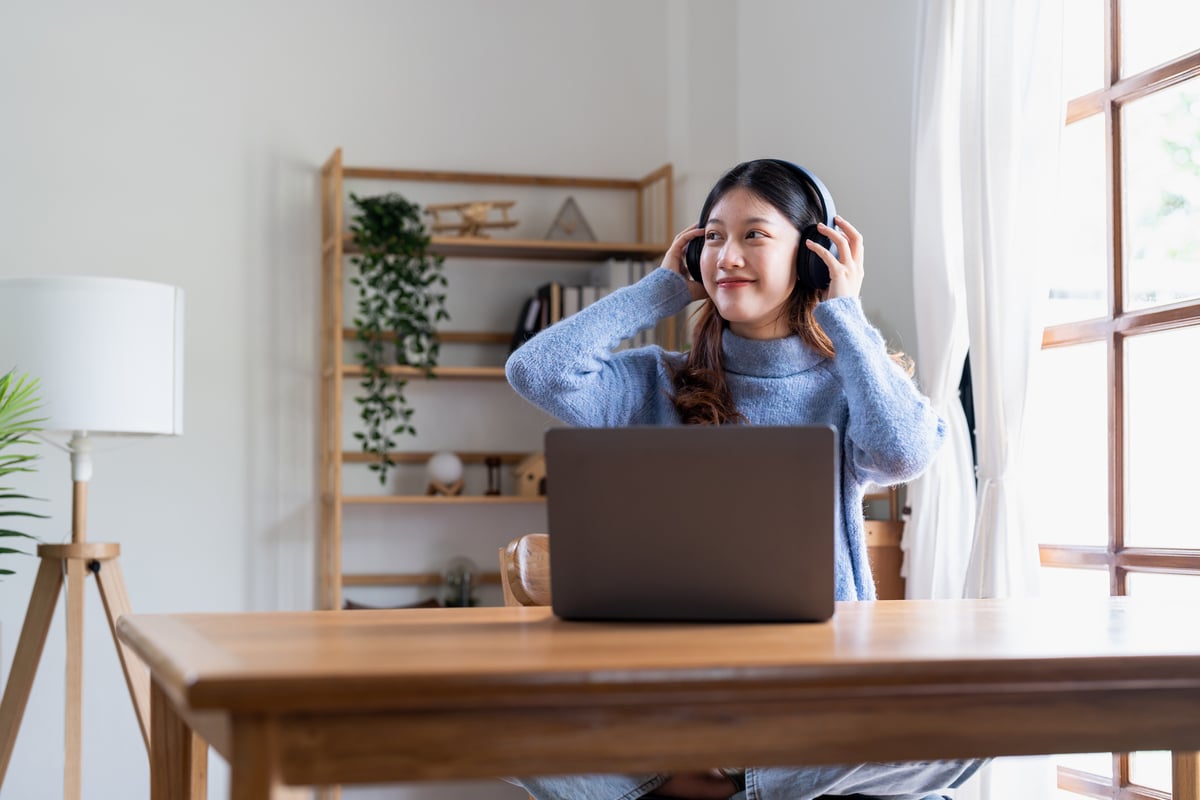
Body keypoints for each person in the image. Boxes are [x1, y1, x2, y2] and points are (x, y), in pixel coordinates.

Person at [504, 159, 983, 800]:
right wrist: (661, 289)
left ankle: (726, 782)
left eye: (754, 235)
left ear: (813, 256)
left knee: (974, 728)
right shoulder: (654, 382)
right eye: (712, 236)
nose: (727, 255)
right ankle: (753, 780)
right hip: (673, 696)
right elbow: (537, 371)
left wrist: (846, 313)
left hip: (818, 694)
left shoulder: (852, 383)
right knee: (507, 727)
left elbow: (903, 452)